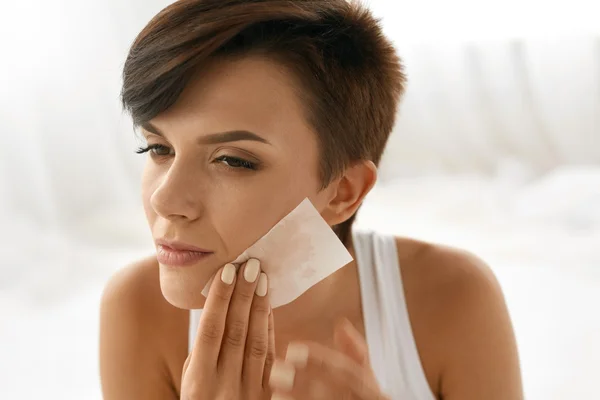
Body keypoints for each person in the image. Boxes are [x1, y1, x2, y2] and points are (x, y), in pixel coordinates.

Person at [99, 0, 523, 399]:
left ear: (343, 192)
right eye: (158, 148)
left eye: (231, 160)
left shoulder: (453, 299)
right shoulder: (137, 311)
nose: (165, 199)